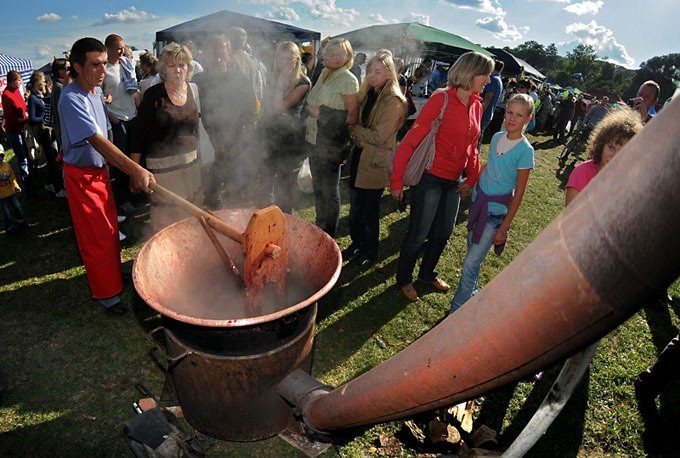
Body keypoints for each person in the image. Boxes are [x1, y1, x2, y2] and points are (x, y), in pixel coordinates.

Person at [59, 37, 155, 315]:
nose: (102, 70)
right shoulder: (71, 97)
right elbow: (97, 140)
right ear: (77, 66)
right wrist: (135, 169)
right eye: (94, 64)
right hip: (82, 177)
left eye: (104, 63)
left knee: (111, 229)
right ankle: (106, 294)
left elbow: (107, 134)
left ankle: (112, 275)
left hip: (99, 172)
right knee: (95, 236)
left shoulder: (94, 92)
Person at [391, 51, 493, 302]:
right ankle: (404, 279)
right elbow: (410, 141)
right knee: (418, 232)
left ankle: (427, 274)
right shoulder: (441, 99)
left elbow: (473, 146)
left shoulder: (477, 105)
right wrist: (396, 181)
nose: (489, 81)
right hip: (430, 178)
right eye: (486, 75)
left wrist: (471, 179)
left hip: (453, 181)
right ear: (470, 73)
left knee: (443, 232)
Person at [449, 94, 535, 313]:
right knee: (472, 256)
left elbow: (519, 192)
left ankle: (458, 309)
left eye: (519, 115)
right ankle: (473, 293)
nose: (512, 119)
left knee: (470, 262)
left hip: (495, 213)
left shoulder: (526, 151)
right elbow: (490, 166)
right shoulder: (497, 137)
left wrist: (504, 228)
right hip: (479, 202)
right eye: (509, 112)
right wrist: (473, 182)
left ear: (528, 118)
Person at [131, 43, 202, 233]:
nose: (177, 70)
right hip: (163, 169)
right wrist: (135, 171)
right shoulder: (153, 95)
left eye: (182, 65)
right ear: (164, 69)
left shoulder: (194, 91)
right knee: (168, 217)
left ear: (188, 68)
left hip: (192, 164)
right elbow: (139, 134)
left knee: (191, 212)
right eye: (172, 66)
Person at [345, 52, 407, 266]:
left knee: (369, 211)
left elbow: (379, 136)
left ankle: (370, 253)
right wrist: (359, 135)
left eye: (378, 71)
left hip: (374, 163)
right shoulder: (369, 93)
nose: (371, 75)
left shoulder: (393, 101)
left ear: (390, 73)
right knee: (355, 208)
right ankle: (356, 243)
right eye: (369, 71)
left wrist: (355, 131)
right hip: (359, 157)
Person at [193, 34, 258, 209]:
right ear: (205, 56)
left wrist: (249, 146)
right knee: (210, 192)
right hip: (207, 144)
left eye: (222, 54)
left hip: (235, 143)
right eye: (213, 55)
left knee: (235, 192)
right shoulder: (197, 81)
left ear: (229, 55)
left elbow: (251, 114)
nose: (218, 59)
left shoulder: (241, 80)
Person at [304, 37, 360, 237]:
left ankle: (329, 234)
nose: (334, 57)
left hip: (331, 144)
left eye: (339, 54)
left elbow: (352, 116)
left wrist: (322, 113)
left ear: (348, 56)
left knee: (329, 192)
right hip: (314, 140)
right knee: (319, 189)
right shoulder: (324, 73)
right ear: (324, 55)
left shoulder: (348, 79)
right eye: (330, 53)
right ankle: (320, 226)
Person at [259, 41, 311, 214]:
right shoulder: (271, 78)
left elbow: (278, 107)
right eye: (281, 58)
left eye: (290, 58)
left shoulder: (303, 83)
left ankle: (286, 219)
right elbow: (266, 106)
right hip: (270, 135)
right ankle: (267, 216)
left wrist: (280, 82)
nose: (285, 62)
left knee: (284, 182)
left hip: (289, 138)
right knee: (266, 179)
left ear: (297, 60)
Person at [565, 107, 642, 206]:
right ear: (601, 144)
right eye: (611, 147)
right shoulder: (583, 172)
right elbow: (570, 216)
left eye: (623, 152)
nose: (614, 156)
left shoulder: (628, 182)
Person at [102, 33, 140, 214]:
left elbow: (134, 90)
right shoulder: (104, 69)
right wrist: (110, 115)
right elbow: (97, 97)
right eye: (118, 47)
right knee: (121, 160)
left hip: (132, 115)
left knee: (136, 156)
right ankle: (123, 197)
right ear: (108, 49)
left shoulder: (127, 64)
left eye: (123, 47)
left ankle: (137, 191)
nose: (122, 51)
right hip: (118, 119)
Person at [1, 70, 33, 195]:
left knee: (27, 154)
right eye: (18, 80)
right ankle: (27, 186)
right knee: (22, 158)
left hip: (22, 128)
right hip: (14, 131)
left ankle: (30, 181)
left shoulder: (16, 92)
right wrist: (24, 119)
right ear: (12, 81)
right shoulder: (7, 95)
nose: (20, 82)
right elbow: (10, 118)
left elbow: (22, 108)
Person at [227, 27, 264, 104]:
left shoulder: (229, 61)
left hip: (236, 108)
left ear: (229, 41)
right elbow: (261, 85)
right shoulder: (257, 62)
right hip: (254, 107)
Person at [50, 58, 70, 197]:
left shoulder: (61, 85)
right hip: (64, 132)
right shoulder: (59, 87)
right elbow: (60, 113)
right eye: (66, 68)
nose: (69, 70)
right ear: (59, 71)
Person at [0, 151, 28, 234]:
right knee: (6, 212)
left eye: (1, 155)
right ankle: (9, 228)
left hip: (11, 192)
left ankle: (21, 223)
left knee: (17, 207)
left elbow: (12, 177)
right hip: (2, 196)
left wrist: (16, 186)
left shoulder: (7, 165)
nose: (0, 158)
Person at [478, 60, 504, 149]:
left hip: (484, 112)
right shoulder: (498, 80)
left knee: (477, 136)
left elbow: (487, 98)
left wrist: (478, 112)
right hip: (489, 112)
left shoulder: (493, 80)